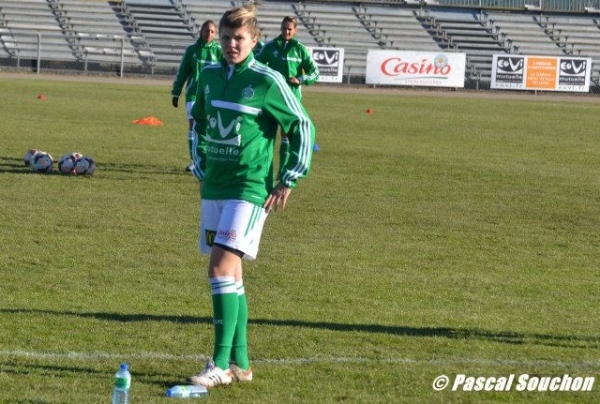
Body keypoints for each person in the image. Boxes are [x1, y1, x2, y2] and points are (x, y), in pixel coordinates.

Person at [187, 1, 315, 388]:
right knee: (232, 274)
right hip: (216, 185)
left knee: (219, 268)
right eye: (226, 38)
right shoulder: (208, 75)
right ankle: (242, 364)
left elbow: (301, 126)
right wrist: (199, 160)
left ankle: (220, 364)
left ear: (254, 40)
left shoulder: (266, 80)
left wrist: (289, 177)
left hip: (250, 187)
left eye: (239, 38)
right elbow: (198, 122)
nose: (231, 44)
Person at [254, 16, 319, 178]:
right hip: (271, 97)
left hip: (292, 99)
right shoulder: (270, 47)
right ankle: (261, 168)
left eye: (290, 29)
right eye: (284, 28)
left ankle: (282, 169)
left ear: (295, 31)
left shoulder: (300, 49)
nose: (286, 31)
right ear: (281, 29)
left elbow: (315, 72)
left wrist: (301, 79)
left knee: (285, 134)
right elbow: (254, 65)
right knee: (265, 132)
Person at [171, 20, 223, 172]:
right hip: (194, 94)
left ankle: (210, 160)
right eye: (207, 30)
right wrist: (176, 92)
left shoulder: (219, 51)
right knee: (194, 125)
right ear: (201, 31)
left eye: (212, 31)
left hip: (212, 96)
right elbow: (182, 72)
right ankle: (194, 161)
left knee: (211, 128)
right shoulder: (192, 50)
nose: (209, 34)